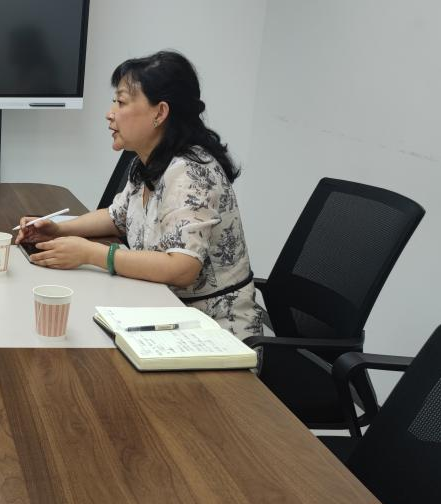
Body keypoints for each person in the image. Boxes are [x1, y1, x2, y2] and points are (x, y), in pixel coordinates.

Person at [17, 51, 264, 338]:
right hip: (162, 311)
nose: (110, 113)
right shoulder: (149, 161)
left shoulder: (191, 172)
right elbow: (117, 216)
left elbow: (182, 268)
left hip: (212, 330)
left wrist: (91, 254)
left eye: (121, 102)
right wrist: (58, 229)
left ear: (160, 113)